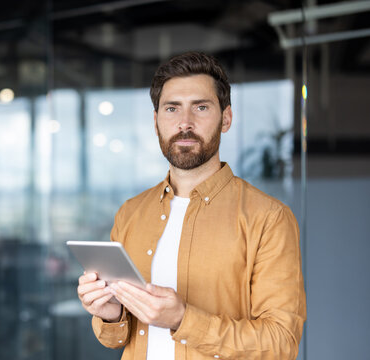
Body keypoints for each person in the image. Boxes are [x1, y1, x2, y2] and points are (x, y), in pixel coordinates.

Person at [76, 52, 306, 360]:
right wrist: (110, 314)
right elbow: (117, 338)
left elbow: (282, 343)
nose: (185, 122)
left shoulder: (269, 218)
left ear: (226, 118)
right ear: (156, 120)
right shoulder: (130, 213)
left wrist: (183, 320)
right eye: (172, 108)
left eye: (201, 107)